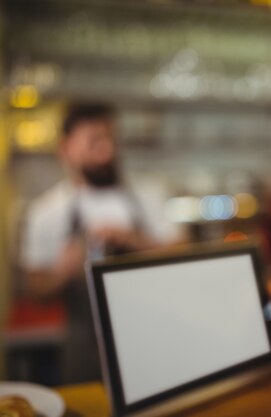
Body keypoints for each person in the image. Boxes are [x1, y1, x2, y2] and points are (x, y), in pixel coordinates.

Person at [20, 102, 182, 383]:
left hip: (153, 336)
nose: (107, 151)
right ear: (66, 149)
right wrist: (65, 268)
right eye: (95, 141)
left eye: (111, 139)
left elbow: (183, 253)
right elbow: (35, 288)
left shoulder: (148, 193)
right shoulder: (45, 212)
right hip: (84, 345)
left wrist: (134, 241)